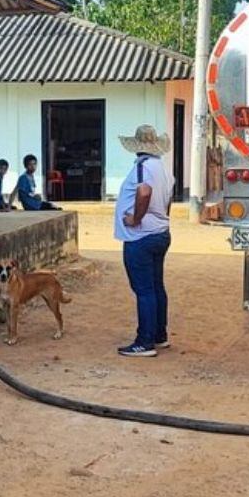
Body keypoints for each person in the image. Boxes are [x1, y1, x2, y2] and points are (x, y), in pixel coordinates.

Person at [113, 125, 175, 357]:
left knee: (144, 289)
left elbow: (144, 192)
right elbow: (167, 199)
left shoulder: (142, 167)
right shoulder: (163, 168)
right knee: (156, 286)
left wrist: (136, 218)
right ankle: (159, 334)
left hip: (141, 236)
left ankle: (145, 341)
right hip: (160, 232)